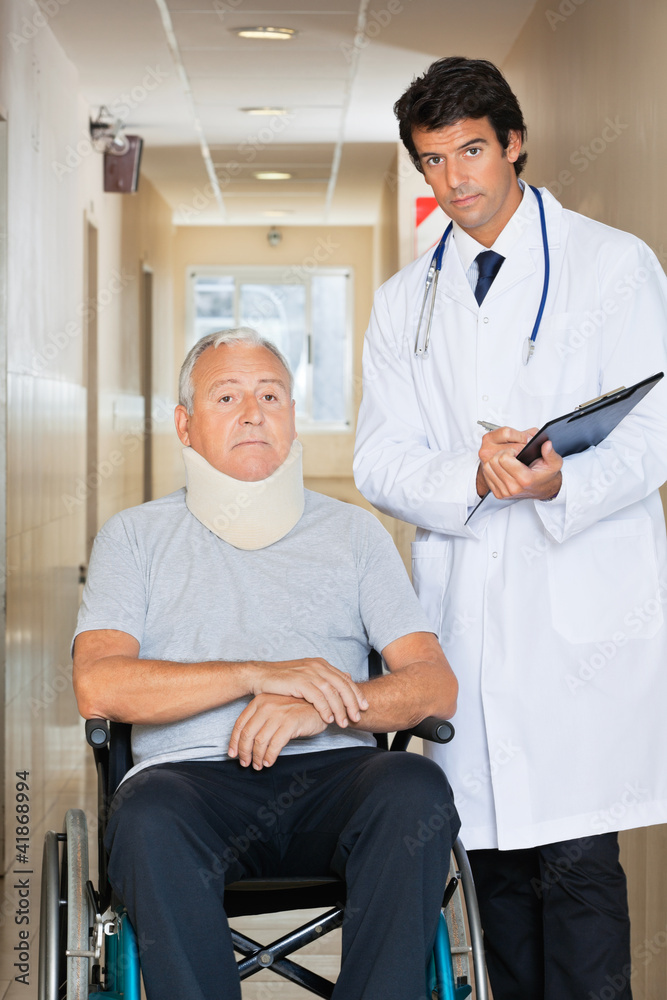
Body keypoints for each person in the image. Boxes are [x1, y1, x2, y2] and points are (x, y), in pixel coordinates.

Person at [353, 56, 667, 1000]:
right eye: (432, 159)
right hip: (466, 617)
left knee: (575, 863)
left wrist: (559, 480)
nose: (455, 179)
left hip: (575, 609)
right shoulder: (404, 301)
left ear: (513, 143)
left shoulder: (611, 264)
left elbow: (654, 432)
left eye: (471, 151)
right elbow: (378, 459)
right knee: (488, 868)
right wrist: (471, 472)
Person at [72, 327, 460, 1000]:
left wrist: (319, 710)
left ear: (292, 417)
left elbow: (434, 686)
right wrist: (256, 675)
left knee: (413, 788)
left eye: (271, 396)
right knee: (146, 817)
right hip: (188, 787)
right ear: (185, 426)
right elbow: (98, 684)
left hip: (336, 781)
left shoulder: (354, 533)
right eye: (227, 397)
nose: (253, 413)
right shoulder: (133, 537)